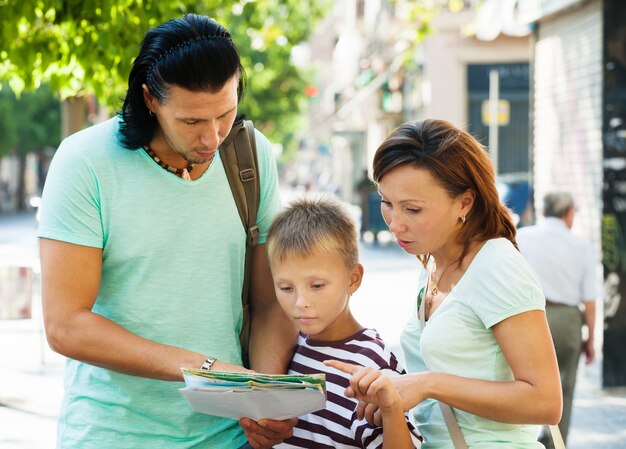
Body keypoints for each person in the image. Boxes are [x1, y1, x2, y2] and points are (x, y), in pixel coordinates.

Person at [37, 14, 298, 449]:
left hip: (228, 436)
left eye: (226, 114)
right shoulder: (84, 162)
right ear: (150, 100)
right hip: (112, 434)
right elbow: (67, 325)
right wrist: (205, 369)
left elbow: (270, 301)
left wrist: (261, 397)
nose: (213, 137)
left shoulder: (252, 157)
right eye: (192, 121)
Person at [330, 119, 562, 448]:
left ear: (464, 203)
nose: (395, 224)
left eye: (412, 209)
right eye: (386, 202)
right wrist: (395, 389)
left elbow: (546, 402)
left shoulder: (496, 266)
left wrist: (426, 384)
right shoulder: (434, 260)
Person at [266, 196, 422, 449]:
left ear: (353, 279)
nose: (300, 302)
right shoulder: (288, 344)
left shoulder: (371, 363)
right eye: (286, 287)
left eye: (317, 286)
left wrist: (391, 408)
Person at [517, 192, 598, 448]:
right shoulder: (582, 246)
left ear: (543, 212)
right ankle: (556, 442)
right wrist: (591, 339)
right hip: (568, 321)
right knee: (564, 386)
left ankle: (525, 438)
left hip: (526, 317)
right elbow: (590, 300)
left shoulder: (523, 237)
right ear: (569, 213)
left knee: (519, 381)